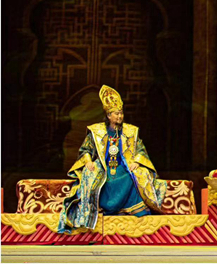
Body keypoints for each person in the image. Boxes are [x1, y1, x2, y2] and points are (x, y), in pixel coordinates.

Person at [58, 85, 166, 233]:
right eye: (116, 113)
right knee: (94, 178)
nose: (120, 116)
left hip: (123, 166)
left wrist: (136, 161)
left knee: (133, 176)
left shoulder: (130, 131)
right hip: (104, 166)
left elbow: (140, 149)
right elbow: (85, 149)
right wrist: (88, 161)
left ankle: (129, 209)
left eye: (121, 113)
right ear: (109, 115)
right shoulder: (97, 131)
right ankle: (96, 211)